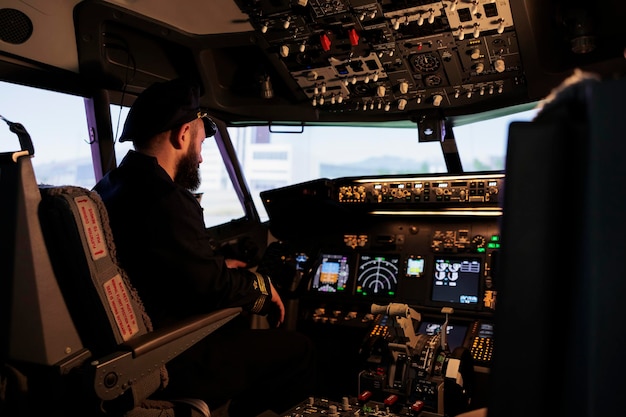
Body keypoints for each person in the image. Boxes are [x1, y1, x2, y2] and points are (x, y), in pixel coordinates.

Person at [93, 78, 315, 417]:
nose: (200, 157)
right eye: (199, 143)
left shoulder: (111, 185)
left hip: (130, 341)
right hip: (168, 355)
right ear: (182, 135)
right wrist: (262, 288)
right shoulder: (165, 198)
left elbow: (158, 262)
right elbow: (211, 288)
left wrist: (219, 266)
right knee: (301, 349)